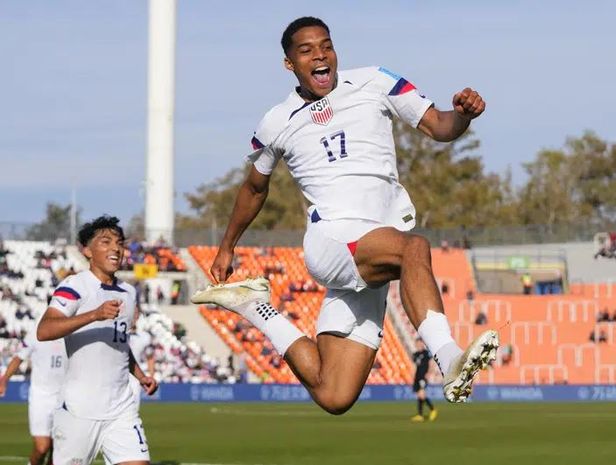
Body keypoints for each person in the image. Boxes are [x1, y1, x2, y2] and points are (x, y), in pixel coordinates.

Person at [191, 17, 498, 415]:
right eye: (306, 50)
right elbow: (254, 188)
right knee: (414, 249)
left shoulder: (375, 81)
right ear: (290, 64)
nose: (319, 55)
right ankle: (448, 357)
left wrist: (463, 116)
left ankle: (255, 308)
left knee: (334, 393)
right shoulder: (276, 122)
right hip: (333, 239)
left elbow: (440, 126)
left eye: (326, 45)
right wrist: (226, 247)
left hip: (373, 246)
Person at [36, 215, 158, 465]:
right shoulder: (74, 286)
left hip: (121, 409)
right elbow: (44, 330)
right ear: (87, 250)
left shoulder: (129, 292)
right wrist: (94, 315)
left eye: (119, 243)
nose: (116, 248)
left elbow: (119, 345)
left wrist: (140, 375)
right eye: (106, 242)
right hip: (80, 410)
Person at [0, 319, 67, 465]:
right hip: (41, 397)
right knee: (42, 447)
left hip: (65, 398)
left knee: (59, 452)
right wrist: (4, 379)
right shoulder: (36, 332)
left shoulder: (72, 331)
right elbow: (19, 357)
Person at [410, 339, 437, 422]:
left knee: (422, 394)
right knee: (419, 395)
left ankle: (433, 409)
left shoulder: (426, 353)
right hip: (417, 377)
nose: (418, 345)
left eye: (419, 343)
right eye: (416, 343)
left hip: (423, 377)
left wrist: (429, 373)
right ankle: (420, 415)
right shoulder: (415, 354)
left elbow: (431, 364)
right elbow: (414, 366)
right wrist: (412, 376)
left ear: (422, 344)